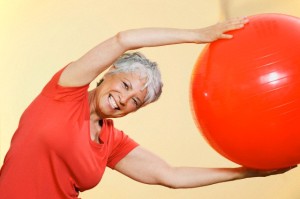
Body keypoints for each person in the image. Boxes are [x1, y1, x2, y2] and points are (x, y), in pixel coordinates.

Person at [0, 17, 295, 199]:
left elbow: (172, 176)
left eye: (135, 102)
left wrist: (249, 173)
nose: (124, 100)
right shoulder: (65, 90)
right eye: (125, 85)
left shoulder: (111, 141)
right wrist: (197, 35)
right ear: (109, 71)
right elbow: (124, 39)